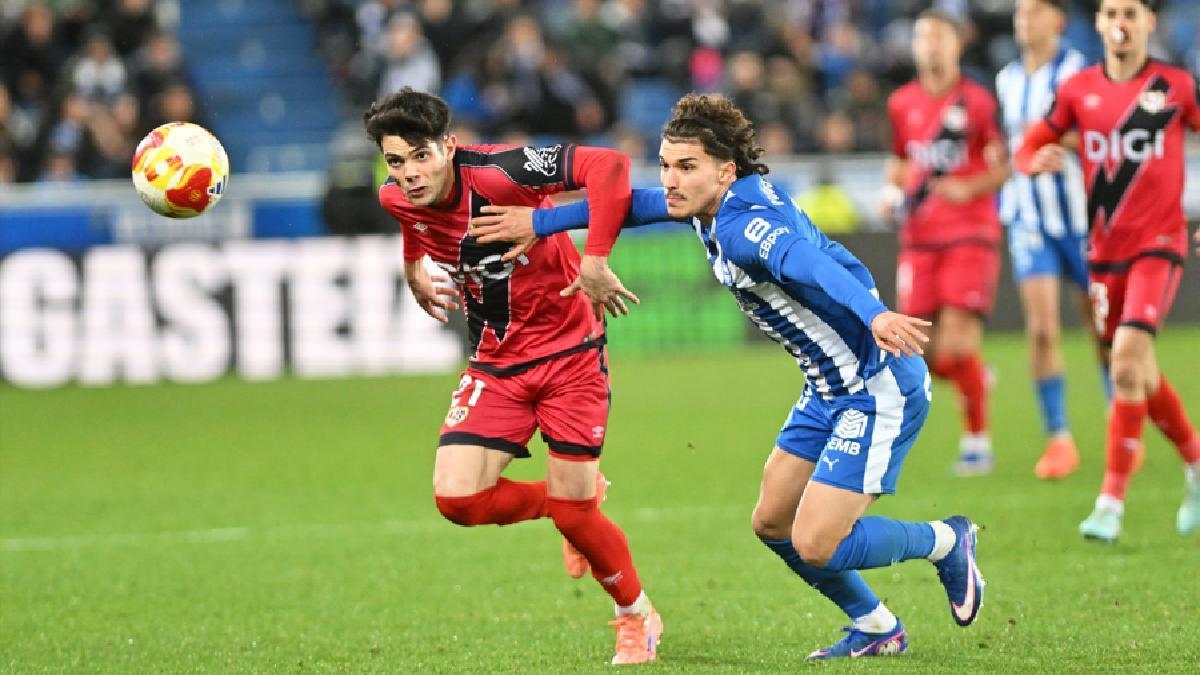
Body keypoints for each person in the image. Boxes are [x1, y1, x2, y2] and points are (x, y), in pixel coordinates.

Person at [469, 93, 986, 661]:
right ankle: (876, 625)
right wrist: (541, 222)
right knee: (772, 522)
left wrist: (875, 314)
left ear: (725, 169)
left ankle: (945, 540)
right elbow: (632, 203)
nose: (670, 179)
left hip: (876, 384)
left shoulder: (743, 227)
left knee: (816, 542)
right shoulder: (710, 201)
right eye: (666, 165)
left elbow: (802, 261)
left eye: (685, 167)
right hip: (827, 387)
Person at [362, 87, 662, 665]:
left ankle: (636, 615)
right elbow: (410, 220)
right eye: (396, 161)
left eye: (421, 155)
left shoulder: (503, 172)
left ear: (449, 146)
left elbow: (611, 166)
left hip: (571, 355)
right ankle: (574, 505)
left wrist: (588, 253)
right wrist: (412, 269)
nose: (410, 174)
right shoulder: (397, 198)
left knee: (577, 515)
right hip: (496, 363)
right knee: (458, 499)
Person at [1015, 0, 1200, 541]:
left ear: (1148, 23)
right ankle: (1195, 464)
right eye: (1111, 12)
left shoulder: (1175, 85)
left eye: (1131, 13)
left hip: (1158, 246)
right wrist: (1034, 161)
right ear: (1097, 24)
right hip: (1102, 253)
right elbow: (1029, 146)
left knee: (1123, 360)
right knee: (1137, 370)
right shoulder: (1078, 90)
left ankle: (1110, 503)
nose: (1120, 23)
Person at [883, 9, 1011, 476]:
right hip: (919, 238)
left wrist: (970, 187)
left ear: (956, 46)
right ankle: (975, 378)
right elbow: (899, 161)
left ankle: (977, 442)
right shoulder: (901, 103)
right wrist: (890, 192)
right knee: (919, 353)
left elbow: (1002, 165)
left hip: (968, 234)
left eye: (940, 38)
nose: (932, 46)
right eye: (924, 38)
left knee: (954, 346)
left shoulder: (976, 102)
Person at [996, 0, 1109, 479]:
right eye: (1020, 13)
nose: (1025, 20)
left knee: (1102, 327)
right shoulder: (1006, 78)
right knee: (1042, 328)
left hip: (1084, 218)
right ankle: (1058, 437)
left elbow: (1101, 133)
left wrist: (1051, 141)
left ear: (1057, 21)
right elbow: (1008, 143)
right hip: (1029, 218)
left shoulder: (1081, 72)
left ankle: (1118, 417)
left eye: (1035, 12)